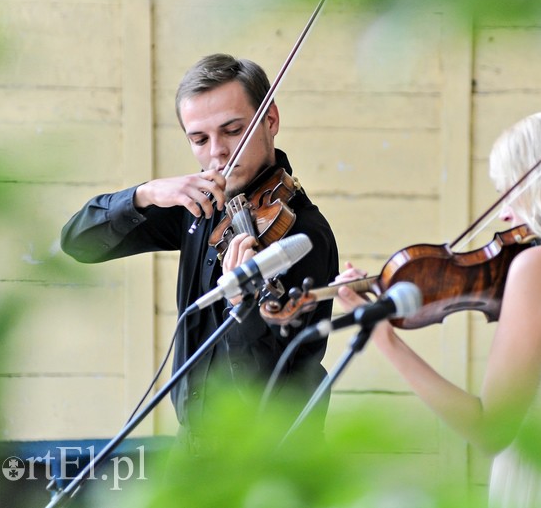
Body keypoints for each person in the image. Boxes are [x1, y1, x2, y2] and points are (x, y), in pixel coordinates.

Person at [334, 108, 541, 506]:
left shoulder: (540, 267)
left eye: (511, 189)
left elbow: (490, 431)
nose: (504, 211)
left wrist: (385, 338)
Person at [61, 53, 339, 448]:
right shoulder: (202, 207)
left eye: (232, 131)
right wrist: (144, 195)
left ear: (270, 121)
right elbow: (78, 243)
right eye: (199, 139)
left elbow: (265, 397)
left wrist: (243, 306)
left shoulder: (304, 235)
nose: (217, 153)